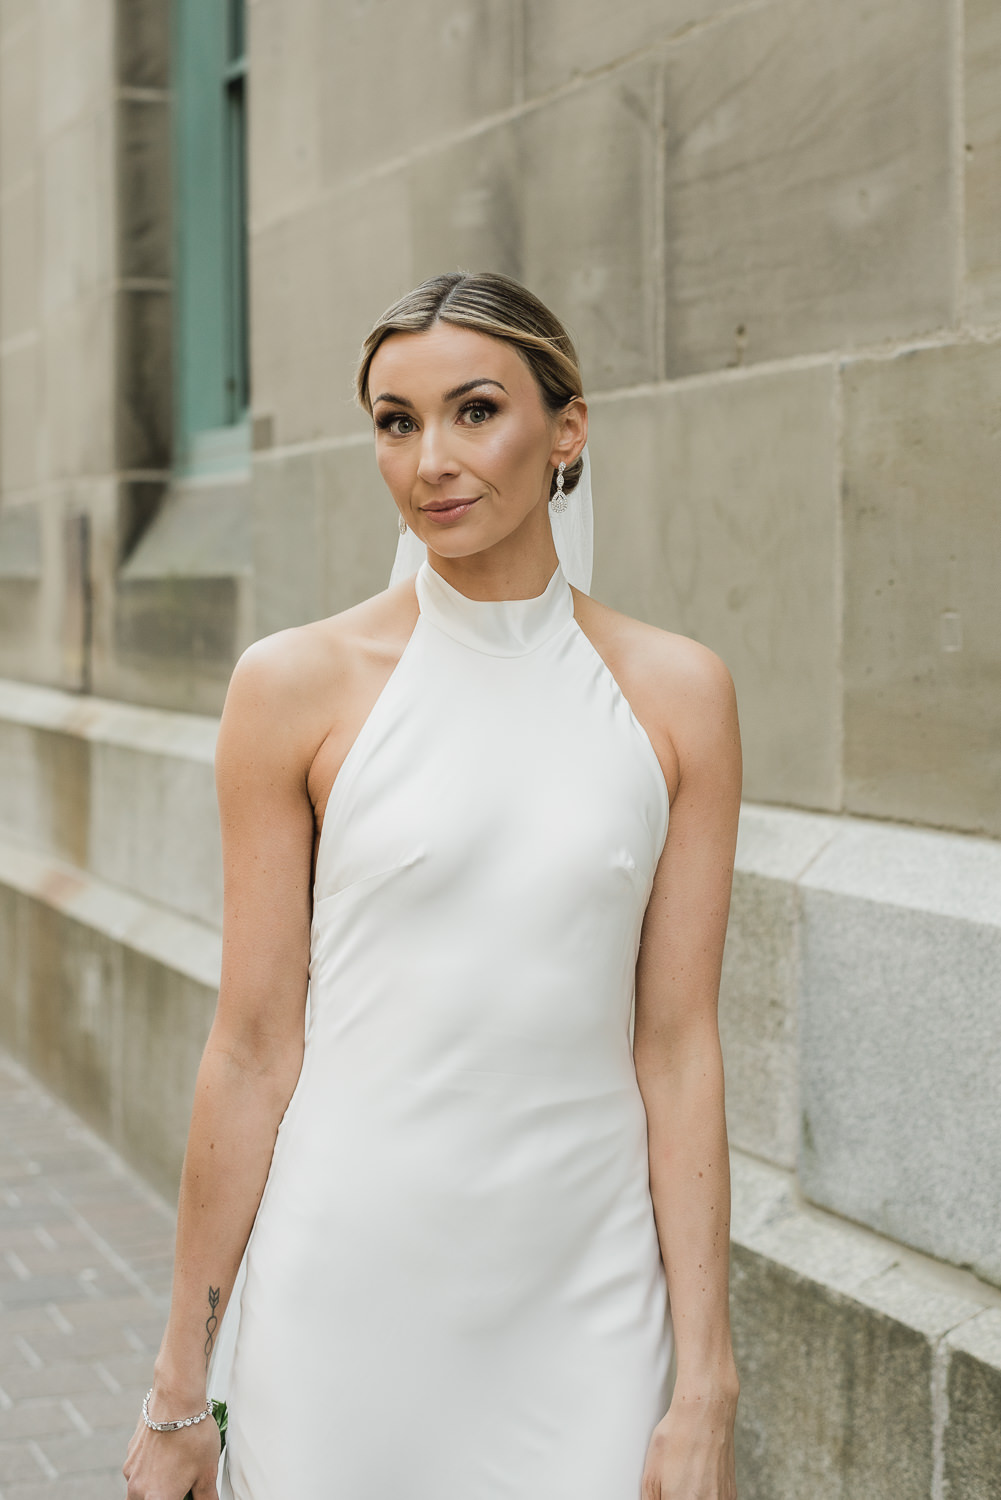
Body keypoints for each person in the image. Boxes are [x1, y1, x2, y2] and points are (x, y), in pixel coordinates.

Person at [123, 270, 742, 1500]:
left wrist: (705, 1382)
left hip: (585, 1290)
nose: (430, 461)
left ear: (566, 430)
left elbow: (675, 1047)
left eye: (474, 410)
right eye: (395, 422)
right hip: (344, 1287)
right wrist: (183, 1387)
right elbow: (249, 1048)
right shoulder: (293, 686)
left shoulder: (678, 696)